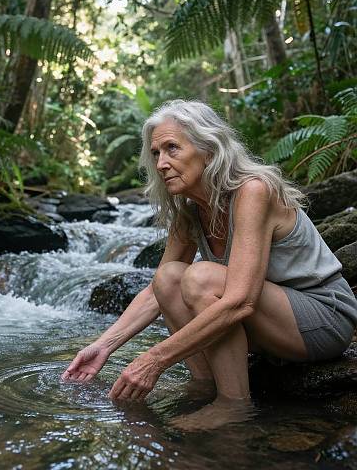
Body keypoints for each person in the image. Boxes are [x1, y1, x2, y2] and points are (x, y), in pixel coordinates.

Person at [61, 100, 357, 430]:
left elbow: (240, 301)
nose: (161, 163)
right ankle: (206, 387)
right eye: (156, 153)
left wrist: (154, 359)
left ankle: (233, 405)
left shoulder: (253, 191)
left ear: (209, 149)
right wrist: (103, 347)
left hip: (324, 318)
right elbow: (155, 293)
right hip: (273, 321)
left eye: (172, 148)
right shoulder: (189, 211)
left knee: (201, 278)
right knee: (169, 277)